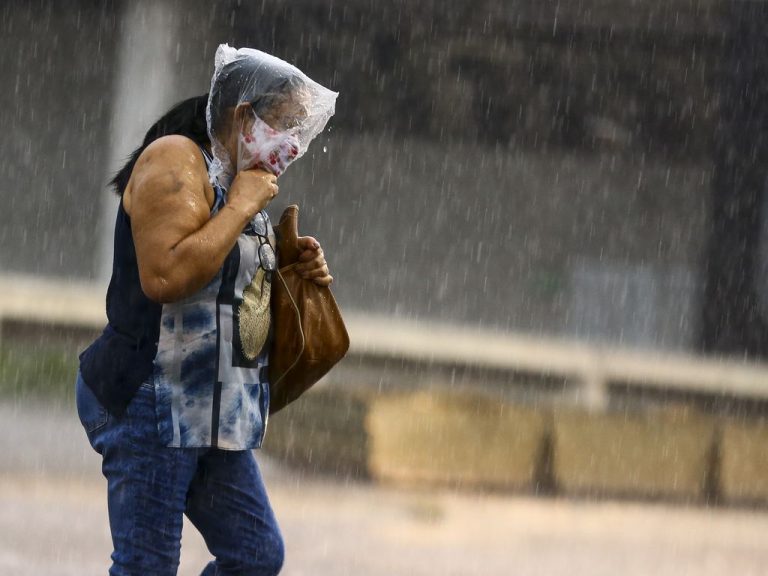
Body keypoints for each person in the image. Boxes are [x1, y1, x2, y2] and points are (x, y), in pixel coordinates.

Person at [75, 46, 337, 575]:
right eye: (284, 124)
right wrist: (242, 206)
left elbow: (224, 284)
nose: (292, 142)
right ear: (243, 116)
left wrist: (290, 268)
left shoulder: (236, 176)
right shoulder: (175, 158)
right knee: (146, 567)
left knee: (256, 557)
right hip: (152, 398)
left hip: (214, 410)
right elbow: (166, 277)